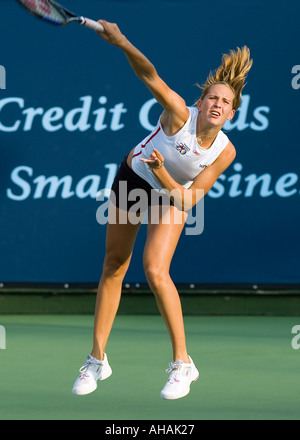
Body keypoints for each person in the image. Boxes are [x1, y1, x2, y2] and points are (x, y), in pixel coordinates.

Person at [72, 20, 253, 400]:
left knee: (155, 269)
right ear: (200, 103)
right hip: (134, 180)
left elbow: (189, 200)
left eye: (226, 102)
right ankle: (96, 359)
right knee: (114, 264)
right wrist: (121, 41)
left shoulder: (225, 152)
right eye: (213, 98)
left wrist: (163, 175)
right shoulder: (178, 114)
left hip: (172, 196)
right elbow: (149, 75)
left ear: (232, 114)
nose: (218, 104)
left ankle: (183, 363)